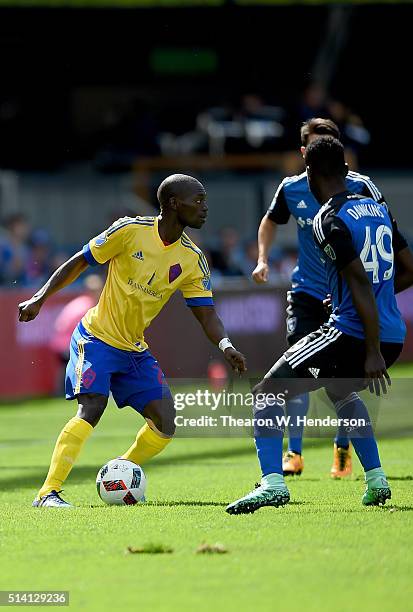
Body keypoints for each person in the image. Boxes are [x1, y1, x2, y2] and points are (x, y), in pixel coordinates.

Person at [18, 174, 247, 508]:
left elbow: (206, 313)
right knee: (92, 407)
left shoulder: (192, 259)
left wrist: (225, 346)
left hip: (133, 349)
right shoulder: (129, 230)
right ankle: (47, 493)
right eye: (197, 200)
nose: (205, 208)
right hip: (96, 337)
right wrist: (40, 297)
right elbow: (82, 260)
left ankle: (120, 471)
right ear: (172, 204)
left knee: (165, 423)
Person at [226, 136, 413, 515]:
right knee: (342, 393)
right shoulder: (377, 208)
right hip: (391, 333)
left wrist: (371, 348)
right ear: (346, 169)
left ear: (309, 173)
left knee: (266, 392)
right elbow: (407, 270)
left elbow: (359, 281)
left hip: (355, 333)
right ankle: (376, 481)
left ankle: (273, 484)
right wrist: (370, 318)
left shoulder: (326, 218)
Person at [253, 117, 387, 479]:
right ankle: (293, 453)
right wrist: (263, 258)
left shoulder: (362, 189)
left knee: (336, 386)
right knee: (295, 372)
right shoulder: (292, 188)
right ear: (304, 152)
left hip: (345, 300)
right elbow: (269, 221)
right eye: (316, 143)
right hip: (308, 293)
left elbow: (385, 238)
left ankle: (343, 448)